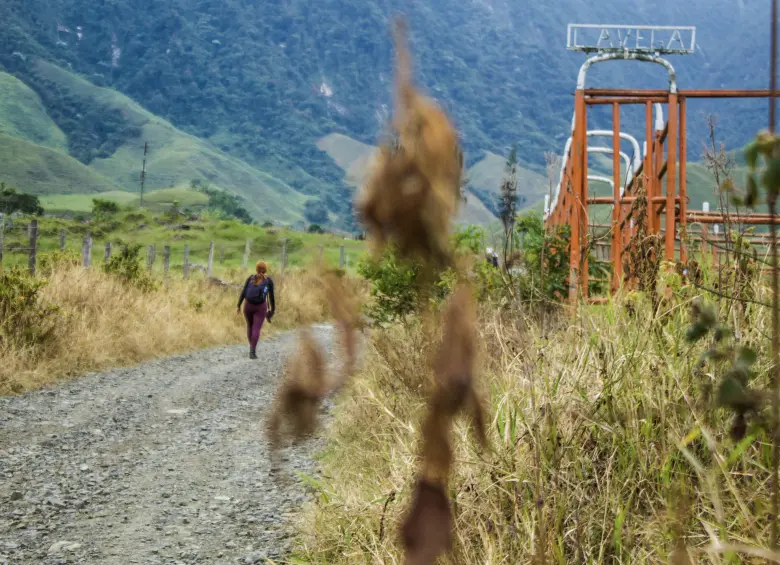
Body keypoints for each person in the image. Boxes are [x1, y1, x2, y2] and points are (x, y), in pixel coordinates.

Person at [237, 261, 276, 359]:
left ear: (256, 269)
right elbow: (271, 297)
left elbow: (244, 292)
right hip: (260, 307)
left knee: (250, 326)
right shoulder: (268, 281)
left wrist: (238, 305)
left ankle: (252, 348)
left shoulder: (250, 278)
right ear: (265, 269)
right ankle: (252, 351)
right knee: (256, 328)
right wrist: (272, 310)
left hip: (247, 306)